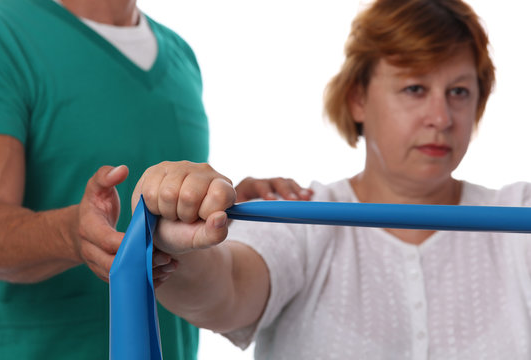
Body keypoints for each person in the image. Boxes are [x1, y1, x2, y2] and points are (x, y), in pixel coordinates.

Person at [131, 0, 531, 359]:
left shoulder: (518, 216)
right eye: (414, 88)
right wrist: (181, 246)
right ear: (358, 98)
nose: (441, 118)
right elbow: (225, 292)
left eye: (459, 91)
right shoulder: (299, 217)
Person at [0, 0, 312, 358]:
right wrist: (72, 234)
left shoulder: (180, 56)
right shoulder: (1, 34)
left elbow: (160, 205)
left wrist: (221, 205)